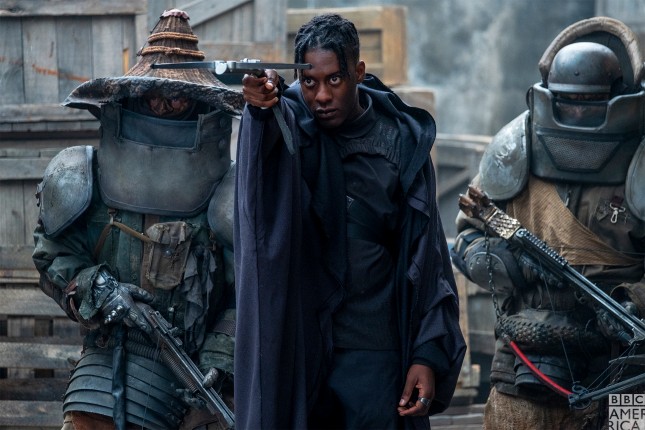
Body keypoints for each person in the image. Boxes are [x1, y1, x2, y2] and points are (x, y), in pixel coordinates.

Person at [234, 13, 466, 430]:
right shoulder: (289, 122)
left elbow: (427, 256)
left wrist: (426, 354)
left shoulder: (400, 141)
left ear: (358, 72)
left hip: (377, 352)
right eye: (309, 82)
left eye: (335, 80)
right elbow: (261, 189)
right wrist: (261, 110)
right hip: (304, 347)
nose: (321, 96)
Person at [32, 9, 244, 430]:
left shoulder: (229, 191)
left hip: (195, 376)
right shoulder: (84, 175)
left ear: (200, 104)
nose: (164, 105)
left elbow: (247, 291)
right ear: (132, 97)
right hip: (103, 364)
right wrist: (96, 287)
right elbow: (53, 256)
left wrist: (220, 359)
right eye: (153, 94)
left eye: (178, 96)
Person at [451, 17, 645, 429]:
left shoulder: (640, 162)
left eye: (589, 101)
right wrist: (509, 263)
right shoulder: (514, 150)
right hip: (526, 361)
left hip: (625, 368)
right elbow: (467, 236)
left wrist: (634, 302)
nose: (577, 110)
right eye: (567, 100)